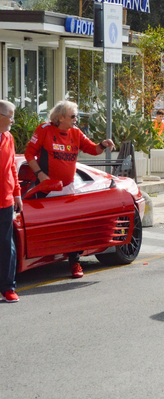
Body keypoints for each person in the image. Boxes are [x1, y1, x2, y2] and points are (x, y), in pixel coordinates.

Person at [25, 100, 114, 279]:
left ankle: (75, 263)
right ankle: (42, 259)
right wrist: (41, 174)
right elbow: (29, 154)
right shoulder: (44, 129)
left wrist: (103, 145)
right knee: (45, 226)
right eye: (73, 116)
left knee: (73, 228)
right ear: (61, 117)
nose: (76, 119)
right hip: (46, 188)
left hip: (68, 188)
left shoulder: (76, 132)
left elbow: (92, 149)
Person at [0, 100, 21, 302]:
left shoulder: (8, 137)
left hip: (5, 200)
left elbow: (12, 168)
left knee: (7, 244)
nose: (13, 121)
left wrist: (17, 194)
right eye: (11, 116)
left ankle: (8, 287)